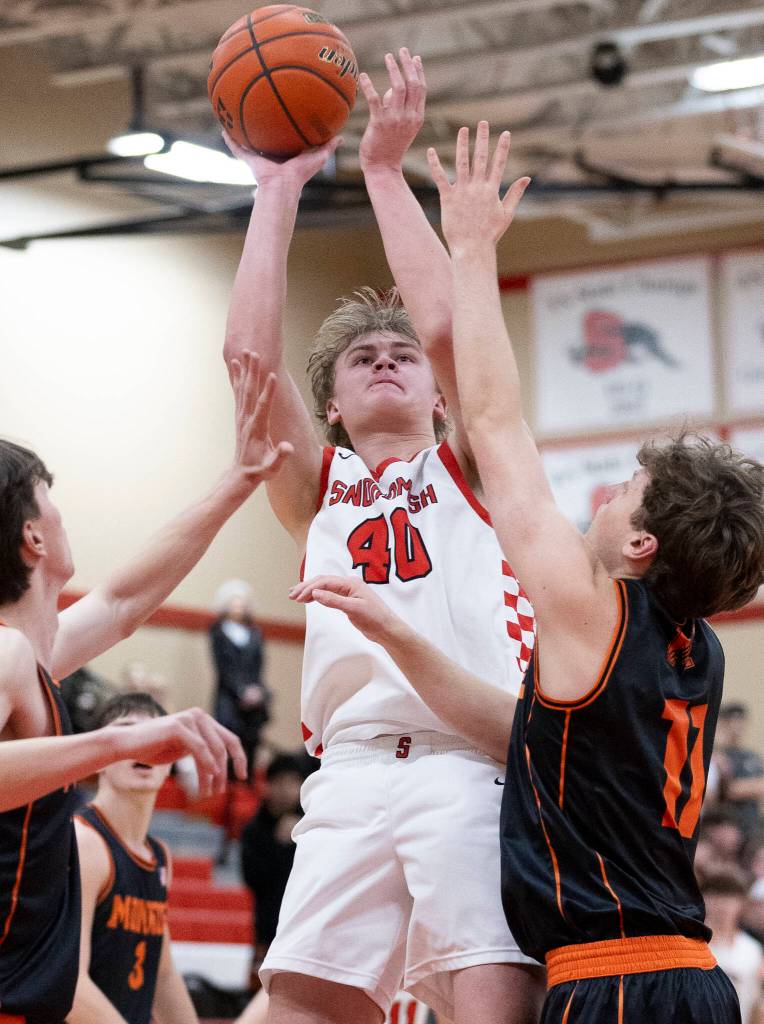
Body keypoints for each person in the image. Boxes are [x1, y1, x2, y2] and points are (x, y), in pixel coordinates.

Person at [295, 123, 764, 1022]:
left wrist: (473, 250)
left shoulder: (592, 612)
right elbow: (521, 735)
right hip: (694, 981)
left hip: (613, 980)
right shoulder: (695, 649)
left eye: (625, 493)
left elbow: (492, 415)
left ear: (643, 547)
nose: (604, 497)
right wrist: (395, 631)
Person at [223, 51, 541, 1024]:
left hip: (469, 760)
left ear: (440, 395)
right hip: (350, 771)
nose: (386, 361)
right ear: (331, 402)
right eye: (362, 357)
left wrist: (381, 172)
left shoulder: (471, 465)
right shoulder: (320, 489)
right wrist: (275, 191)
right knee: (300, 1007)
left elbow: (448, 331)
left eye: (402, 355)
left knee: (488, 1000)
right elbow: (248, 361)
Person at [0, 350, 290, 1023]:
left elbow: (124, 602)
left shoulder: (33, 656)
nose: (64, 513)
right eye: (51, 499)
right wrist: (120, 741)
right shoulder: (8, 650)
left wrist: (238, 481)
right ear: (33, 535)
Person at [70, 692, 198, 1024]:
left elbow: (163, 974)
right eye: (128, 733)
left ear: (170, 763)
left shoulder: (159, 855)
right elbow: (70, 984)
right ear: (99, 757)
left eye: (156, 738)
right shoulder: (85, 841)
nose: (143, 746)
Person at [240, 754, 303, 990]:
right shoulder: (254, 830)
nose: (286, 790)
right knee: (261, 990)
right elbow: (252, 878)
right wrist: (279, 846)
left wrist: (298, 840)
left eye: (292, 782)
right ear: (267, 785)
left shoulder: (311, 825)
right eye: (279, 782)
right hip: (267, 927)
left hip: (303, 924)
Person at [209, 579, 271, 777]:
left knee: (252, 740)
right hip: (228, 696)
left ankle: (247, 779)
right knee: (227, 738)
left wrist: (255, 690)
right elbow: (223, 667)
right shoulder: (218, 631)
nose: (238, 605)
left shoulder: (255, 633)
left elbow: (259, 665)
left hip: (254, 696)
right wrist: (240, 691)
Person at [703, 867, 764, 1024]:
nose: (723, 904)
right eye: (716, 895)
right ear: (704, 898)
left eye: (730, 897)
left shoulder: (752, 950)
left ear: (742, 903)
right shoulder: (692, 945)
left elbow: (755, 1005)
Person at [715, 703, 764, 836]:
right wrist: (750, 787)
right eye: (733, 720)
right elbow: (726, 790)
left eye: (741, 720)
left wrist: (738, 787)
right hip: (727, 826)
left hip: (752, 825)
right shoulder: (718, 755)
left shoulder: (751, 756)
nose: (737, 726)